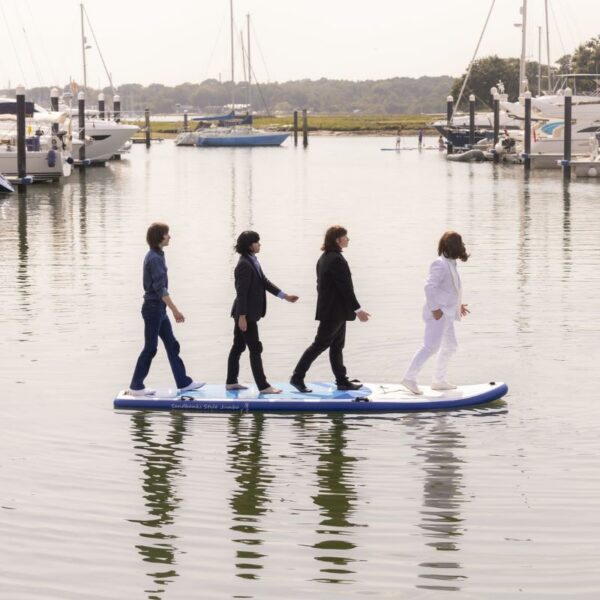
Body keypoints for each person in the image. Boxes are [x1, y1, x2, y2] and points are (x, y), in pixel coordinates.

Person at [290, 225, 370, 393]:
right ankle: (297, 377)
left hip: (335, 311)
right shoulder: (336, 259)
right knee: (319, 344)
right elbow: (345, 288)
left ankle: (341, 380)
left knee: (336, 346)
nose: (348, 239)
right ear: (337, 239)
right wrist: (358, 310)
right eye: (346, 237)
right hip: (334, 312)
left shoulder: (325, 257)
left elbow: (322, 287)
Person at [129, 222, 204, 396]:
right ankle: (136, 385)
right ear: (159, 237)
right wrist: (175, 310)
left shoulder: (158, 255)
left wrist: (167, 309)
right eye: (167, 234)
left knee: (171, 344)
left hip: (159, 309)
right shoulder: (154, 258)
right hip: (153, 308)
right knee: (151, 347)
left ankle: (183, 382)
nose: (170, 236)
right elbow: (160, 289)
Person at [227, 230, 299, 394]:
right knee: (255, 348)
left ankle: (231, 381)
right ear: (249, 245)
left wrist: (285, 296)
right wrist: (243, 317)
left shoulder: (252, 260)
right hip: (245, 314)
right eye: (257, 242)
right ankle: (264, 386)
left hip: (245, 313)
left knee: (238, 346)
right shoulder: (244, 265)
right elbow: (242, 293)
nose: (260, 244)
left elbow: (264, 282)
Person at [401, 231, 470, 395]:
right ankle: (409, 378)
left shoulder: (450, 263)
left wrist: (457, 306)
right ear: (454, 246)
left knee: (451, 346)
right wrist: (435, 309)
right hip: (438, 314)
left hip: (448, 313)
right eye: (460, 243)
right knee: (430, 346)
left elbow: (450, 289)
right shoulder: (439, 264)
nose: (463, 246)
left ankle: (438, 380)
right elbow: (429, 287)